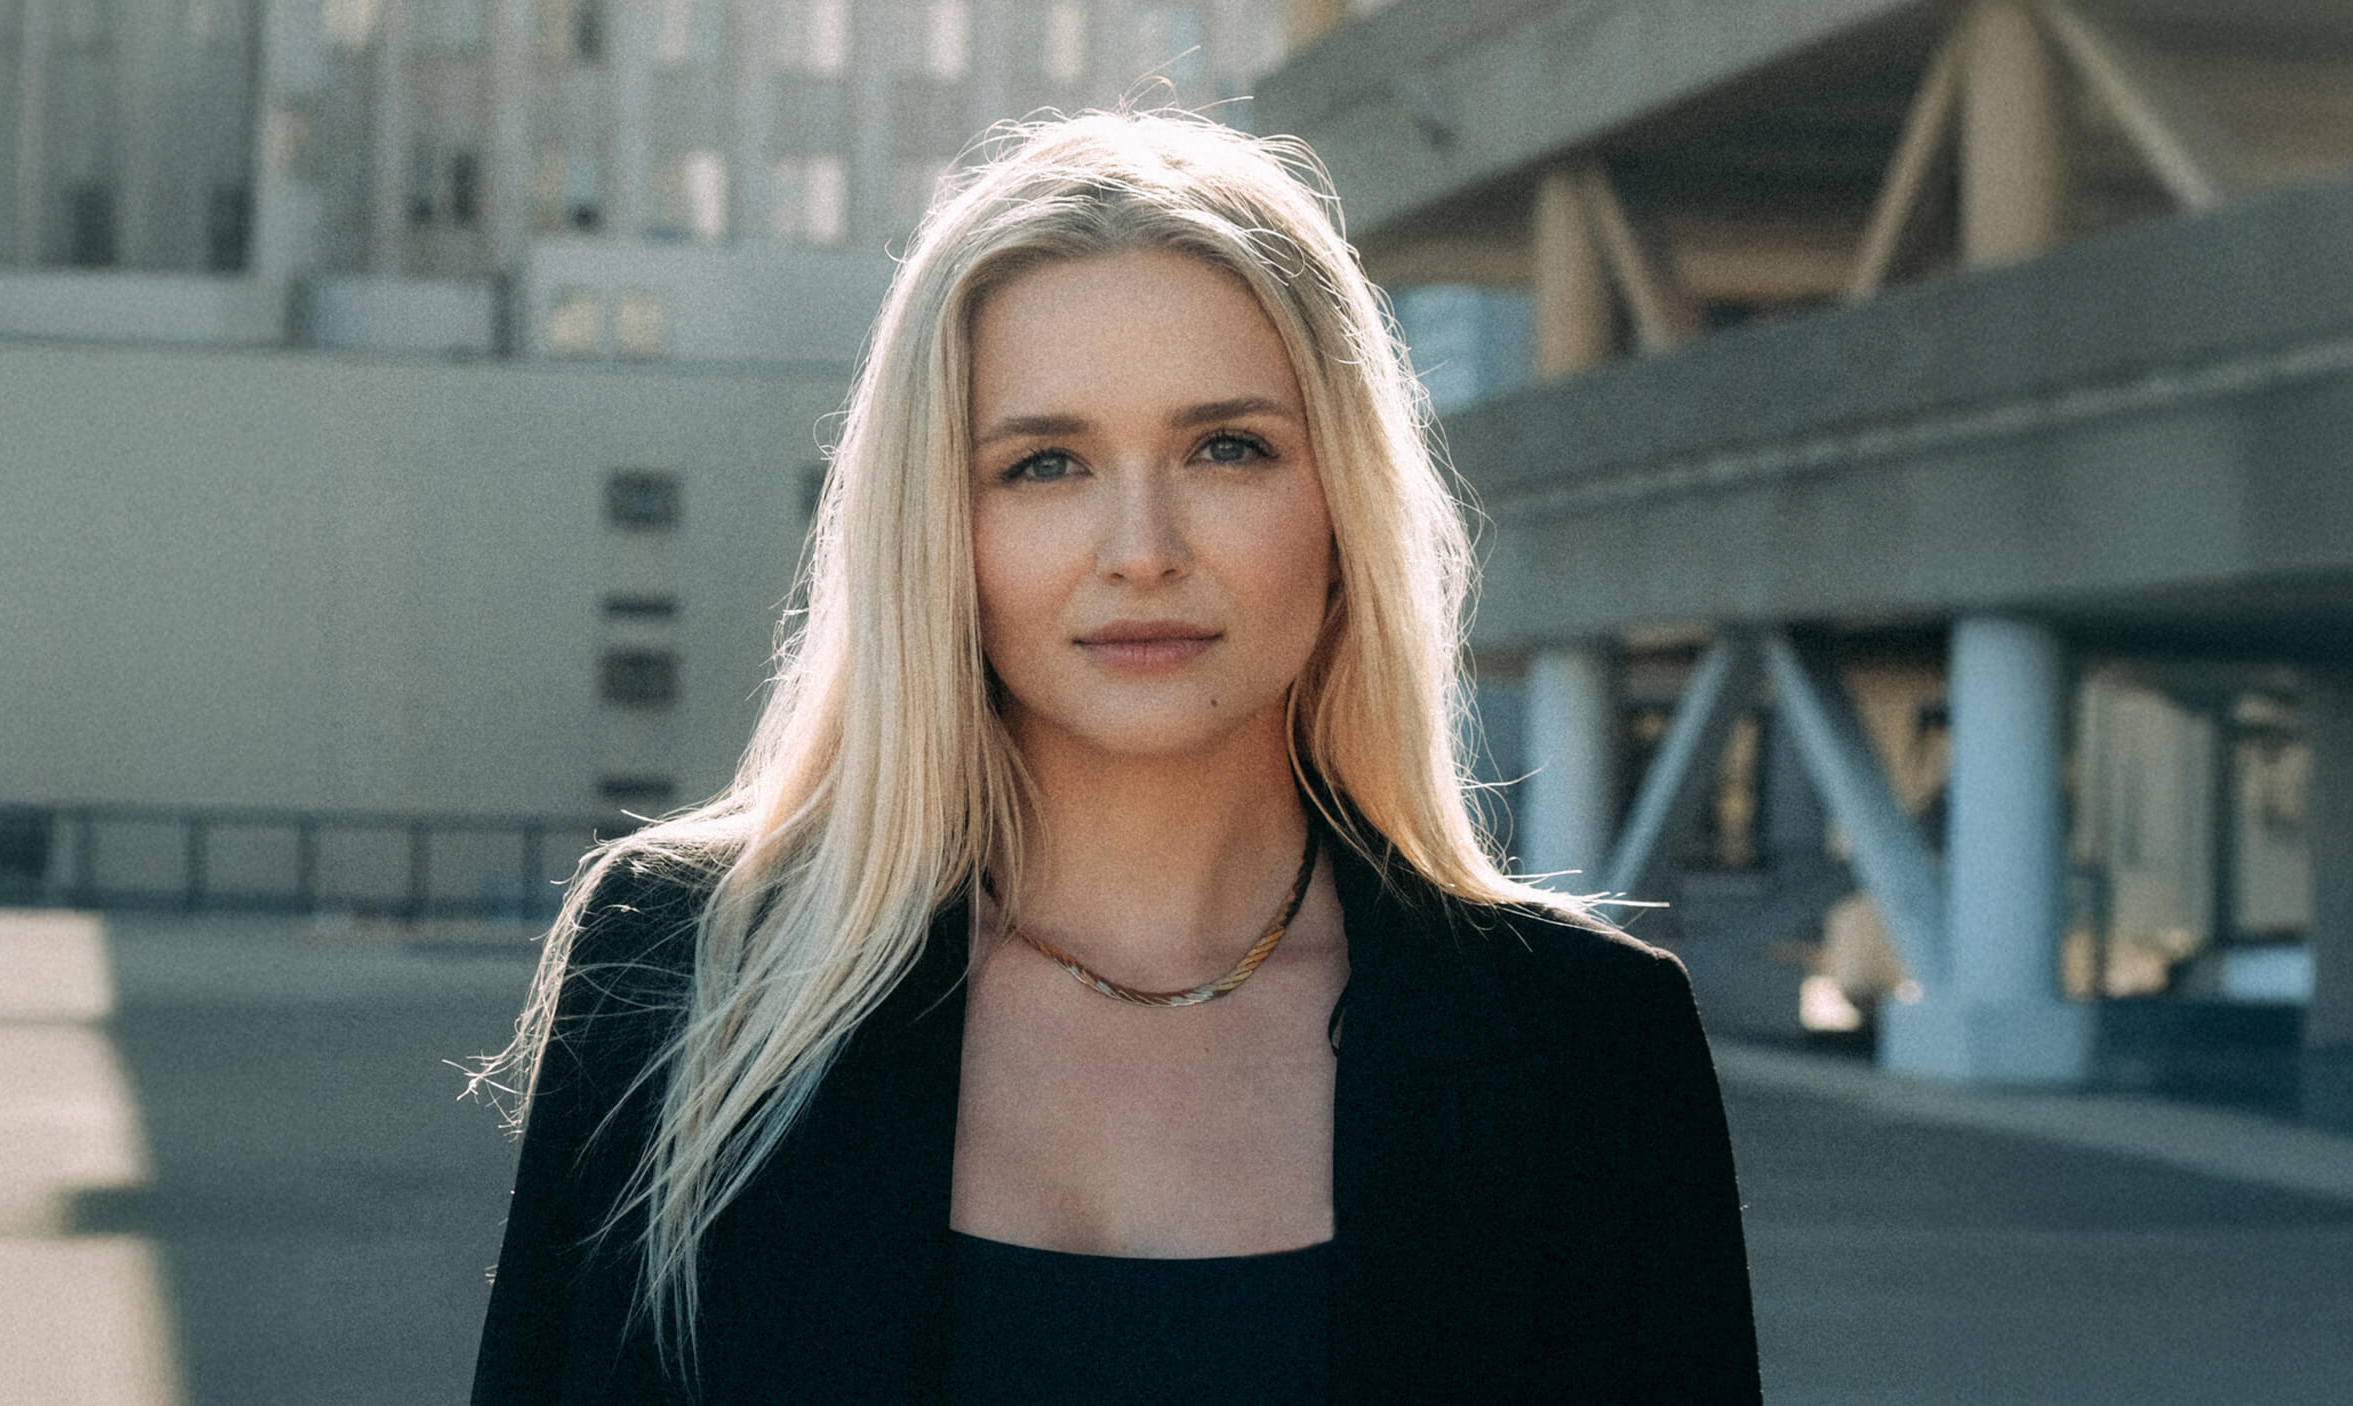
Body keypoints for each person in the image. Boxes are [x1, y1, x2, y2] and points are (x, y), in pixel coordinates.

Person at [469, 109, 1759, 1405]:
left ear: (1341, 502)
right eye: (1045, 464)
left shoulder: (1587, 1047)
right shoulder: (683, 974)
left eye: (1228, 447)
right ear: (940, 530)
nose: (1141, 546)